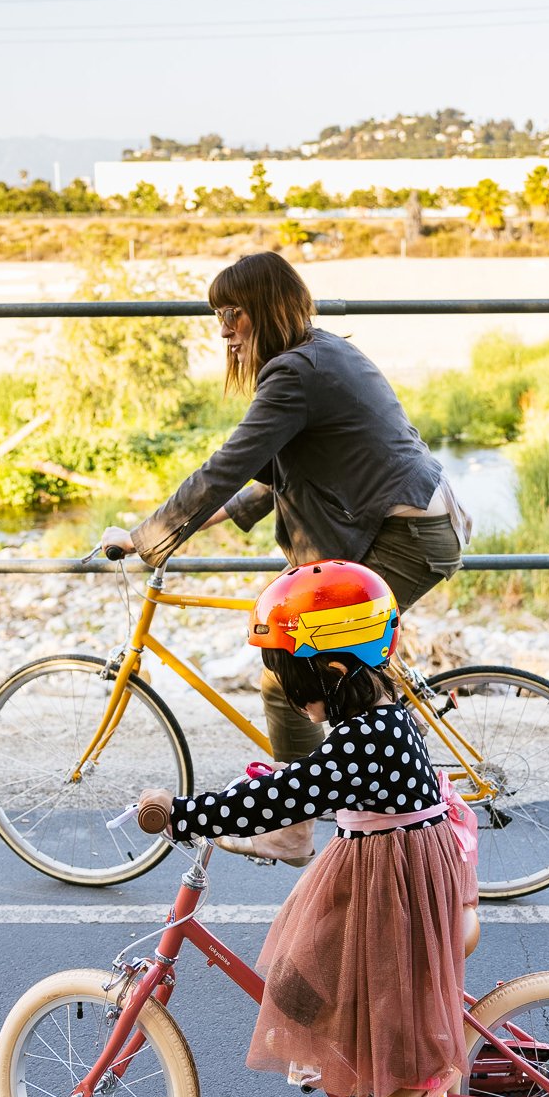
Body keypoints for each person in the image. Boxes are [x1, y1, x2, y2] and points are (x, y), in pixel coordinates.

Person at [101, 250, 471, 866]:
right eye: (219, 315)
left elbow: (227, 466)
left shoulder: (296, 374)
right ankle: (362, 785)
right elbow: (273, 475)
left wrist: (147, 537)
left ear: (264, 311)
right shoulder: (318, 354)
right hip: (411, 525)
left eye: (233, 314)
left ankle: (293, 830)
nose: (224, 330)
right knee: (331, 661)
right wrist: (198, 525)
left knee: (288, 660)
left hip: (405, 536)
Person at [137, 560, 479, 1097]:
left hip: (395, 877)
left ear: (335, 670)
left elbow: (280, 799)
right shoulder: (378, 716)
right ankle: (367, 1059)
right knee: (305, 977)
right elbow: (310, 783)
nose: (291, 699)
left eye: (292, 681)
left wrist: (184, 814)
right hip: (390, 862)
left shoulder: (364, 737)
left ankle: (413, 1075)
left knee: (344, 971)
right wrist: (281, 781)